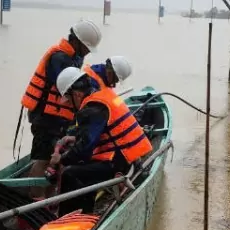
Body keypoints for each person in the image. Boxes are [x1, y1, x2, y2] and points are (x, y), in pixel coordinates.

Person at [47, 67, 153, 216]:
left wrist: (61, 160)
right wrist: (75, 137)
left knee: (70, 174)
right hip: (129, 154)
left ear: (76, 94)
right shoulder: (101, 95)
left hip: (120, 162)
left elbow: (84, 150)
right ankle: (86, 213)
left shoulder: (92, 108)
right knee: (85, 168)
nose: (69, 105)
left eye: (69, 100)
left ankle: (65, 221)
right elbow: (97, 131)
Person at [20, 20, 102, 184]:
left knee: (56, 159)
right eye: (86, 48)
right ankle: (34, 198)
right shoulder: (59, 58)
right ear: (77, 42)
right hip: (45, 117)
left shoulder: (71, 58)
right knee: (43, 159)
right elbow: (71, 84)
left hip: (58, 118)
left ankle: (49, 200)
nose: (87, 52)